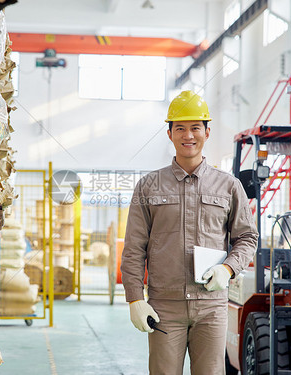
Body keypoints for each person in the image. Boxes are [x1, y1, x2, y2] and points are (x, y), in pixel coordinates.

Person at [121, 90, 258, 375]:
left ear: (207, 132)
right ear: (169, 133)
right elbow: (134, 247)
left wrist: (228, 270)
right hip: (164, 307)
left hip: (211, 306)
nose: (188, 135)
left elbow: (247, 238)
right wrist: (135, 298)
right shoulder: (148, 186)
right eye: (180, 128)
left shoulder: (229, 187)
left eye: (195, 127)